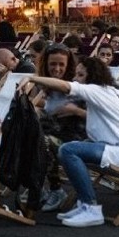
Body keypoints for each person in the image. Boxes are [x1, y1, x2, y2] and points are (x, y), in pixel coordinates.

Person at [23, 57, 119, 227]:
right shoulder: (111, 91)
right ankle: (84, 204)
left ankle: (91, 208)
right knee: (68, 148)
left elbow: (66, 86)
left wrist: (32, 78)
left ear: (92, 76)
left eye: (80, 75)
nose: (76, 78)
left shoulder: (97, 90)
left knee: (68, 150)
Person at [27, 43, 84, 213]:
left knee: (42, 141)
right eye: (53, 64)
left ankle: (56, 189)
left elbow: (92, 116)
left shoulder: (75, 86)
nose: (57, 68)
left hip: (76, 137)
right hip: (54, 131)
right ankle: (37, 188)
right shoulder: (45, 86)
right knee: (26, 135)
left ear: (68, 66)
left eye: (61, 64)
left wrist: (75, 110)